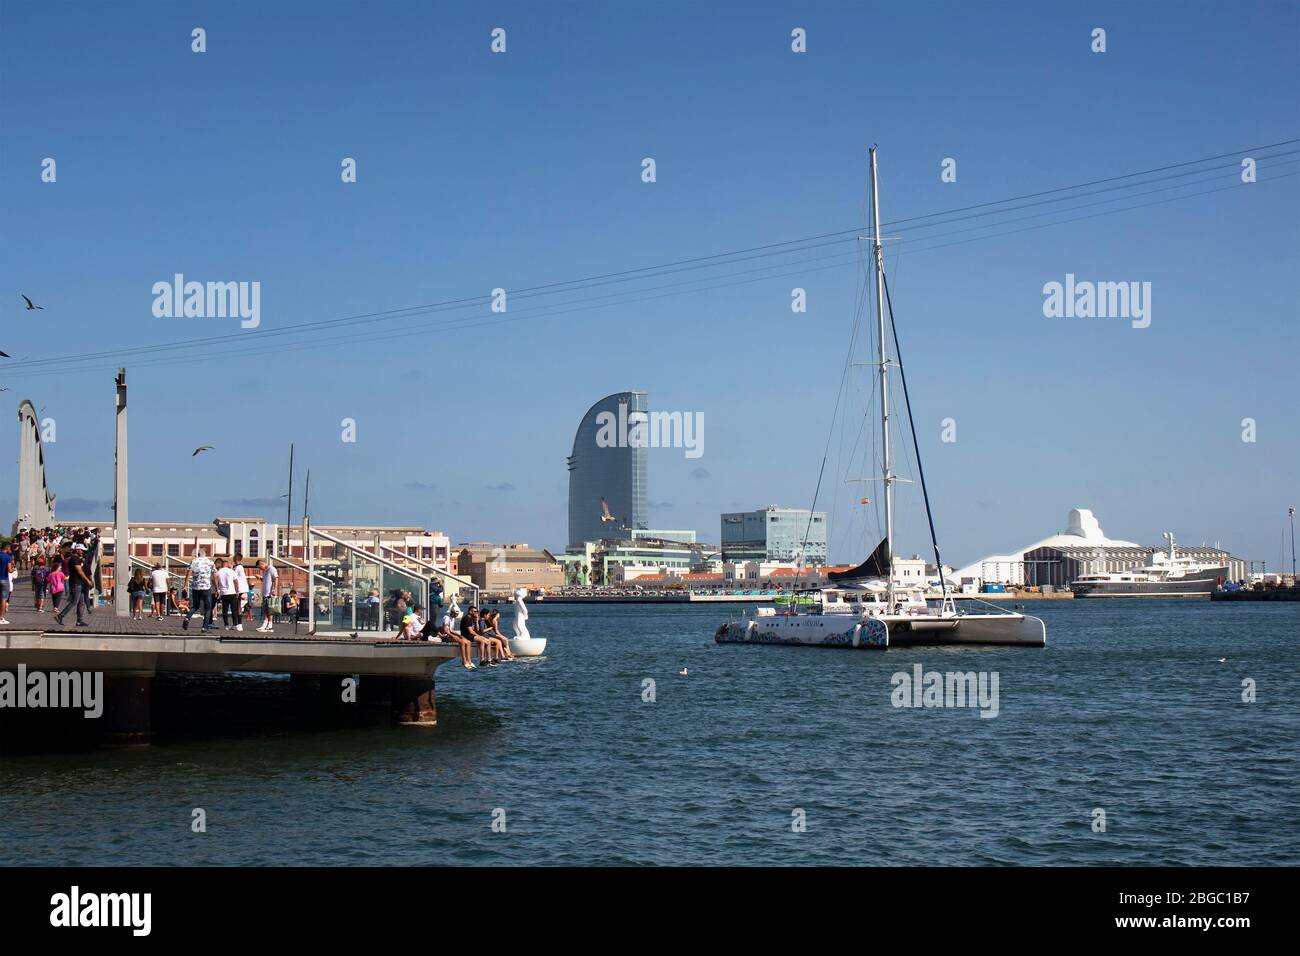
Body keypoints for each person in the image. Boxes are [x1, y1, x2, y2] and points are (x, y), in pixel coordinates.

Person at [54, 544, 94, 627]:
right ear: (77, 549)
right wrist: (88, 581)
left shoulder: (78, 558)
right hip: (76, 583)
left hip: (80, 583)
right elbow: (79, 571)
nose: (83, 552)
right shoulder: (75, 558)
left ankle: (79, 620)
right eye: (81, 550)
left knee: (81, 602)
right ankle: (60, 616)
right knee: (74, 602)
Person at [183, 547, 216, 632]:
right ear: (205, 554)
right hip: (206, 587)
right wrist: (217, 589)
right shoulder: (210, 562)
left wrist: (185, 585)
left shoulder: (194, 561)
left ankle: (187, 618)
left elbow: (188, 573)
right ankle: (205, 627)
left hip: (195, 587)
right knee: (208, 608)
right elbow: (214, 577)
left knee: (195, 606)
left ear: (198, 554)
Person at [433, 605, 475, 669]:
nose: (456, 615)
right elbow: (445, 630)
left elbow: (451, 630)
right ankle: (464, 661)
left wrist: (459, 636)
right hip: (445, 636)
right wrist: (454, 637)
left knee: (468, 642)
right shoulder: (446, 618)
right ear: (451, 612)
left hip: (449, 635)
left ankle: (469, 660)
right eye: (455, 614)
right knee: (462, 642)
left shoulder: (452, 618)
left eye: (457, 614)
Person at [214, 558, 240, 631]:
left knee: (224, 610)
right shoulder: (231, 571)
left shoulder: (219, 572)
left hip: (223, 593)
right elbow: (236, 582)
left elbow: (215, 578)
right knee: (234, 610)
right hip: (232, 592)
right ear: (227, 564)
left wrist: (217, 589)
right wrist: (237, 591)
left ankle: (226, 625)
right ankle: (235, 624)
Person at [256, 560, 278, 632]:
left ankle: (269, 625)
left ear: (262, 564)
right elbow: (266, 581)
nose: (260, 569)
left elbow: (276, 578)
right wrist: (260, 578)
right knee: (266, 610)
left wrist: (274, 589)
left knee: (269, 609)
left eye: (260, 567)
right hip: (265, 593)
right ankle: (266, 625)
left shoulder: (271, 569)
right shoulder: (265, 571)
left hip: (270, 593)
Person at [232, 559, 251, 625]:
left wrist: (231, 568)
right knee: (239, 607)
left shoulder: (238, 567)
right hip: (243, 589)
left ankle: (238, 624)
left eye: (234, 561)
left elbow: (233, 576)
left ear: (237, 560)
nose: (233, 562)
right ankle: (239, 623)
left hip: (240, 590)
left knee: (237, 607)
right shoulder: (240, 567)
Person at [0, 541, 13, 625]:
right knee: (3, 599)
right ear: (7, 547)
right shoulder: (8, 557)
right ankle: (1, 618)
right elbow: (9, 570)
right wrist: (13, 569)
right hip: (4, 579)